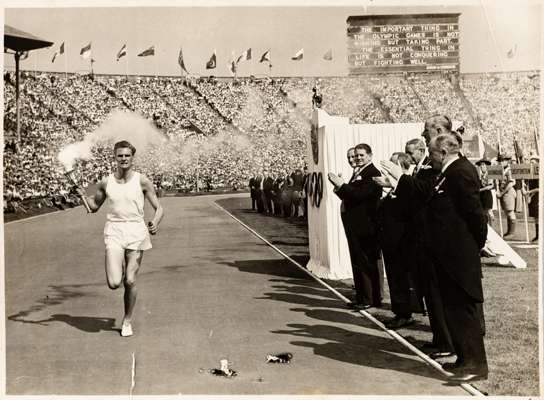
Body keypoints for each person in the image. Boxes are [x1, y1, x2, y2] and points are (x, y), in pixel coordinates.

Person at [381, 134, 488, 382]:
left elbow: (475, 215)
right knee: (453, 310)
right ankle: (464, 359)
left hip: (459, 255)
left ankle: (476, 365)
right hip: (447, 254)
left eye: (430, 152)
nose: (429, 157)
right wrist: (401, 178)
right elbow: (427, 193)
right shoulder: (447, 172)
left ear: (442, 152)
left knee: (463, 311)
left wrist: (472, 247)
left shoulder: (460, 171)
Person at [77, 140, 164, 337]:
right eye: (120, 155)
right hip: (114, 231)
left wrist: (155, 222)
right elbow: (93, 207)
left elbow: (159, 208)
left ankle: (127, 320)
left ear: (132, 158)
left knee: (130, 280)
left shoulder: (142, 181)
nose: (123, 159)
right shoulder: (106, 182)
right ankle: (116, 262)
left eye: (127, 155)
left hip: (136, 231)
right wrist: (82, 196)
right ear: (114, 157)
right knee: (115, 282)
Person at [328, 143, 383, 309]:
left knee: (366, 261)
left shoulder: (372, 173)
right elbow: (351, 197)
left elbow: (359, 195)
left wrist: (341, 185)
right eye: (355, 155)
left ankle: (369, 299)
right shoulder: (359, 173)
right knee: (358, 260)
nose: (358, 158)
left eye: (361, 155)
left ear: (370, 156)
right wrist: (340, 188)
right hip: (356, 224)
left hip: (366, 226)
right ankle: (362, 297)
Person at [377, 152, 415, 329]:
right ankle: (400, 311)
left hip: (402, 242)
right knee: (395, 278)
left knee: (401, 279)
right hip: (391, 241)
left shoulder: (408, 185)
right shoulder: (396, 186)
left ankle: (405, 313)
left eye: (392, 165)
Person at [496, 154, 517, 238]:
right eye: (500, 161)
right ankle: (509, 232)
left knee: (510, 212)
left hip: (508, 192)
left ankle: (512, 233)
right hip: (504, 193)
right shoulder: (502, 170)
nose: (500, 162)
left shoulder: (509, 170)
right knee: (507, 212)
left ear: (506, 161)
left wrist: (501, 193)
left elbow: (511, 183)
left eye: (502, 161)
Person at [523, 155, 539, 242]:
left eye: (533, 162)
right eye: (531, 162)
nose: (531, 164)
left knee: (538, 217)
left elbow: (539, 188)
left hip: (537, 197)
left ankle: (539, 235)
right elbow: (527, 184)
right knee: (535, 218)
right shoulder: (531, 174)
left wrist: (528, 193)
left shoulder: (539, 174)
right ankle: (537, 235)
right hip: (532, 197)